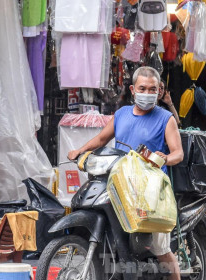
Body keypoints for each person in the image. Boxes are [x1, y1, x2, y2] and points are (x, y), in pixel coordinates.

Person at [68, 66, 184, 280]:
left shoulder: (166, 118)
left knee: (161, 249)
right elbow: (102, 139)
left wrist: (165, 158)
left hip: (151, 190)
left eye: (152, 89)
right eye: (142, 88)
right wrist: (80, 150)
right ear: (133, 89)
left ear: (159, 91)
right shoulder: (121, 114)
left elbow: (178, 153)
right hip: (121, 184)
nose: (147, 93)